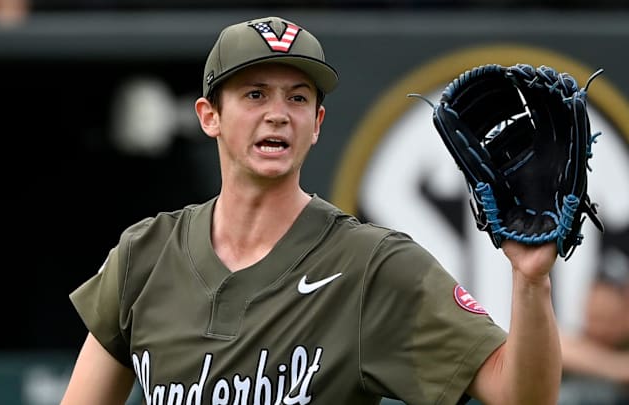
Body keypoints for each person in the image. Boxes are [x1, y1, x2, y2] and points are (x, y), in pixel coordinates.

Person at [60, 15, 561, 405]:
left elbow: (520, 396)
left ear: (317, 122)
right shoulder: (144, 254)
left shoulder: (372, 266)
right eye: (255, 94)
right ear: (209, 116)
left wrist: (532, 280)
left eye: (297, 98)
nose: (278, 113)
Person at [559, 248, 629, 405]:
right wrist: (617, 367)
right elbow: (553, 347)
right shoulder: (574, 342)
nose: (600, 328)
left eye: (608, 319)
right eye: (595, 318)